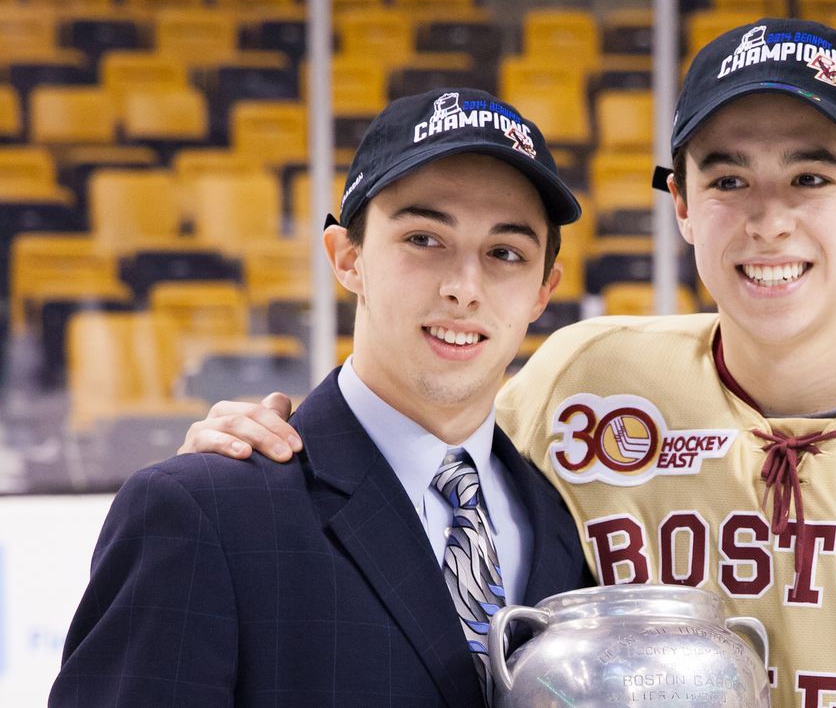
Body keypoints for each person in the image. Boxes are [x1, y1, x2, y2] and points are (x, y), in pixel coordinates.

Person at [181, 20, 836, 706]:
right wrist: (255, 451)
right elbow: (414, 461)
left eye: (811, 175)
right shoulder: (585, 382)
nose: (767, 217)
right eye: (728, 176)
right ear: (682, 205)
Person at [51, 88, 593, 708]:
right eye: (424, 239)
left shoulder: (564, 522)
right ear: (348, 258)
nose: (464, 288)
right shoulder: (203, 511)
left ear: (543, 290)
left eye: (505, 253)